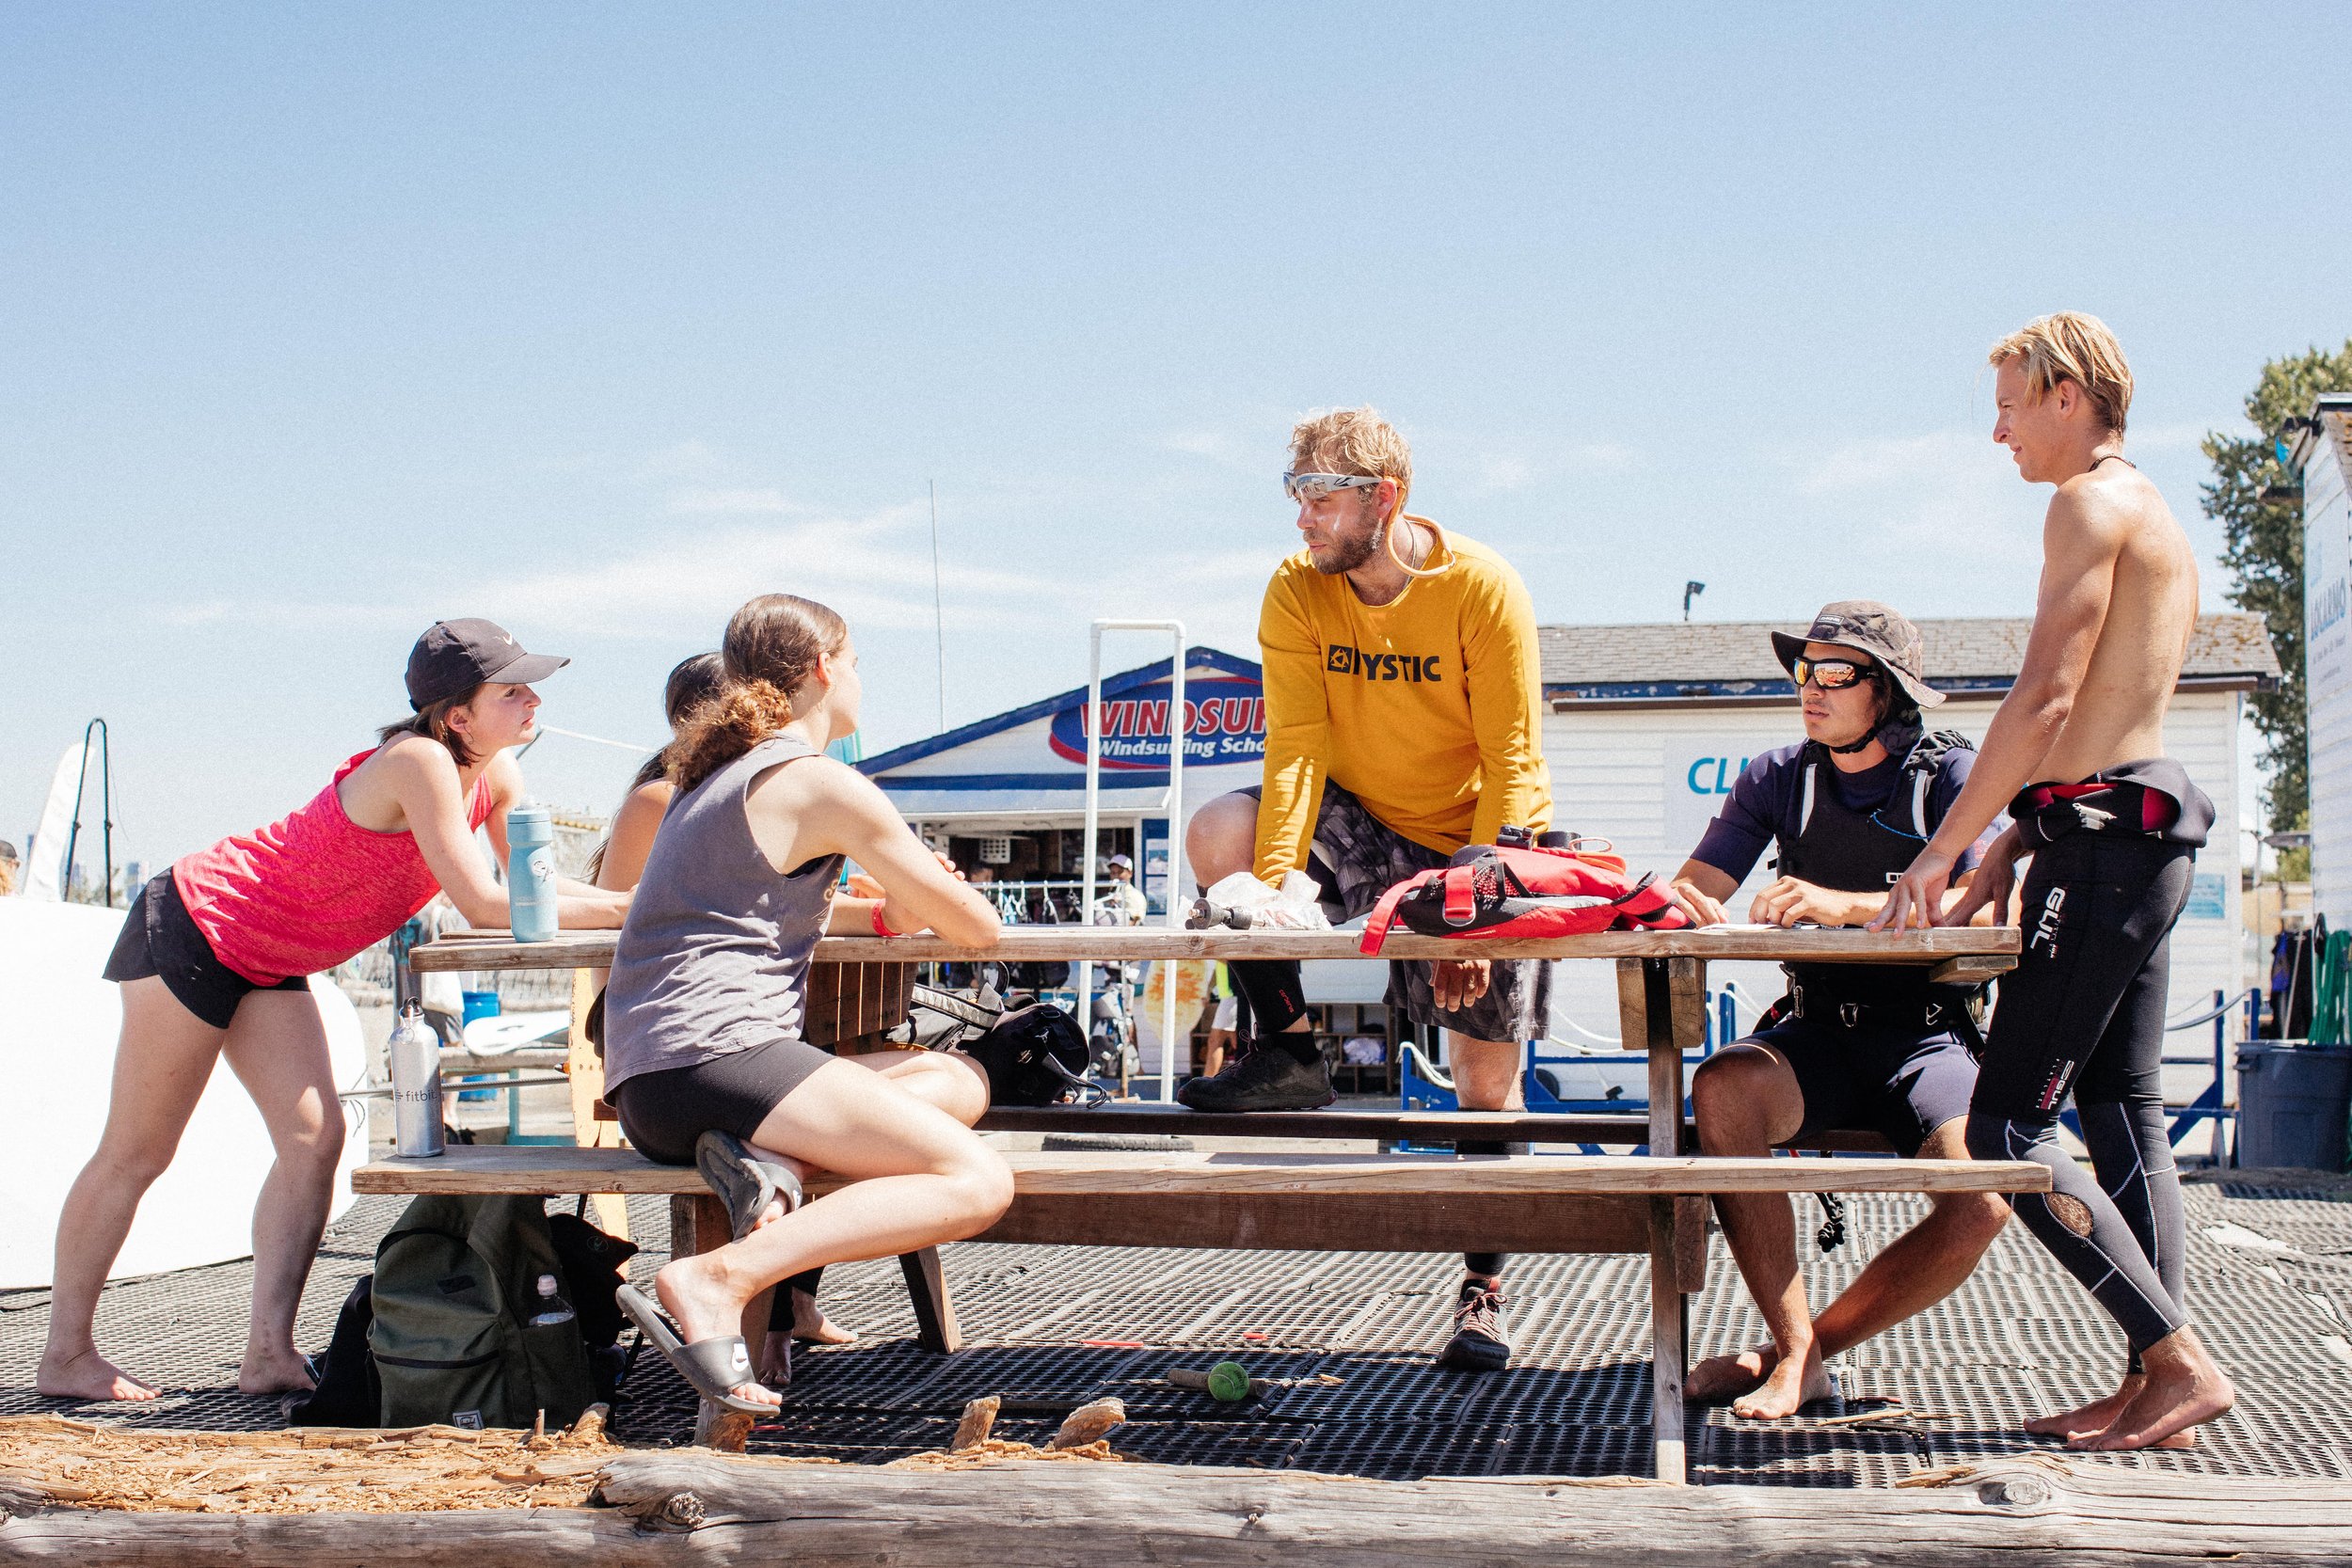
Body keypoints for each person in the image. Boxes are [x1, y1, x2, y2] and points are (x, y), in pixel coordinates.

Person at [40, 619, 631, 1403]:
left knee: (316, 1140)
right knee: (138, 1152)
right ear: (456, 715)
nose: (534, 698)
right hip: (196, 923)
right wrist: (635, 907)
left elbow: (531, 891)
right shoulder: (420, 759)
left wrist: (633, 907)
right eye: (512, 689)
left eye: (532, 684)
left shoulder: (500, 778)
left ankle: (268, 1354)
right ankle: (65, 1352)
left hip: (268, 956)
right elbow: (488, 904)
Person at [1875, 312, 2235, 1451]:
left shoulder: (2083, 501)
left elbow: (2043, 699)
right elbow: (2101, 722)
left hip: (2107, 849)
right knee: (2124, 1111)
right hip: (2131, 832)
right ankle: (2150, 1384)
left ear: (2066, 392)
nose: (1997, 433)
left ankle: (2176, 1358)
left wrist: (1940, 848)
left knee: (2001, 1124)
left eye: (2009, 405)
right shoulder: (2152, 510)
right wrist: (2016, 841)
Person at [1184, 405, 1552, 1372]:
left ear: (1382, 499)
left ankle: (1483, 1289)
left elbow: (1514, 758)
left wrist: (1471, 908)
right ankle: (1289, 1048)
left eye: (1318, 497)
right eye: (1293, 494)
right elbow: (1297, 744)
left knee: (1484, 1082)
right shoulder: (1296, 589)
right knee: (1218, 831)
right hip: (1364, 811)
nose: (1300, 519)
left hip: (1474, 836)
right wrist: (1265, 893)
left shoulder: (1479, 586)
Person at [602, 593, 1013, 1413]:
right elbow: (979, 930)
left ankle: (773, 1160)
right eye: (855, 662)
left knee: (960, 1079)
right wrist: (927, 897)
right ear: (826, 669)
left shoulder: (708, 777)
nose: (859, 679)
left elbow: (757, 902)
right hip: (721, 1054)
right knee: (976, 1179)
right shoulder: (822, 782)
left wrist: (895, 904)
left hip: (649, 1085)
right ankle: (719, 1276)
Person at [1664, 603, 2009, 1418]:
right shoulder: (1777, 775)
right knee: (1721, 1087)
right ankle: (1794, 1354)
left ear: (1885, 691)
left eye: (1834, 674)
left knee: (1984, 1198)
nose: (1810, 690)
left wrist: (1847, 906)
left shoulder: (1948, 775)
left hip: (1928, 1037)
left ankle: (1808, 1350)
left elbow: (1993, 903)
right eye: (1803, 672)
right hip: (1814, 1030)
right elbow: (1692, 888)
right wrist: (1683, 904)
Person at [1098, 853, 1149, 926]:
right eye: (1113, 873)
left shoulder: (1135, 896)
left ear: (1130, 873)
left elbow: (1134, 922)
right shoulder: (1108, 895)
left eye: (1120, 872)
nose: (1116, 876)